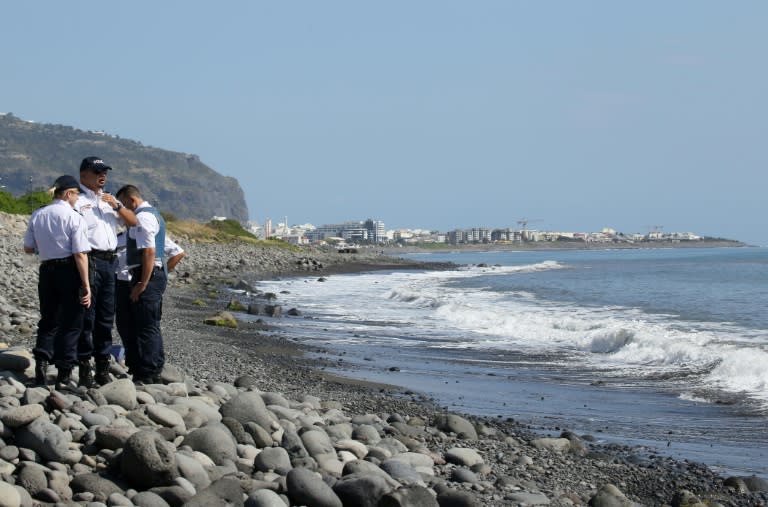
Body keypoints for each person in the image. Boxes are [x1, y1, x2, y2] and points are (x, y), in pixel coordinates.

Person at [23, 175, 92, 389]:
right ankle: (63, 373)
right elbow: (80, 253)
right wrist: (86, 284)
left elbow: (28, 247)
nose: (77, 199)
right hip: (68, 269)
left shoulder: (38, 214)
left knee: (48, 319)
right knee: (72, 322)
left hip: (47, 269)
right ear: (69, 193)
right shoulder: (74, 217)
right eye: (76, 195)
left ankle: (41, 366)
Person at [74, 156, 137, 387]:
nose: (103, 176)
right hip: (89, 260)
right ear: (84, 176)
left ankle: (102, 367)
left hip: (110, 262)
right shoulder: (77, 200)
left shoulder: (108, 200)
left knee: (105, 317)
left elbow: (133, 223)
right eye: (97, 172)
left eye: (105, 172)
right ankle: (84, 369)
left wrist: (118, 206)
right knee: (87, 316)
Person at [115, 184, 168, 384]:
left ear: (131, 201)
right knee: (142, 323)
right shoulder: (147, 215)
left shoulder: (144, 218)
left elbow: (149, 252)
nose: (122, 210)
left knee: (146, 325)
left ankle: (148, 371)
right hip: (146, 272)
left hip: (147, 274)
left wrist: (142, 283)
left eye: (123, 205)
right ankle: (149, 367)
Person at [115, 230, 184, 376]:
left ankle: (151, 368)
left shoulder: (148, 232)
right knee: (124, 326)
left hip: (140, 284)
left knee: (146, 326)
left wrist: (159, 274)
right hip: (120, 285)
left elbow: (178, 253)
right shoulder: (118, 237)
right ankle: (133, 365)